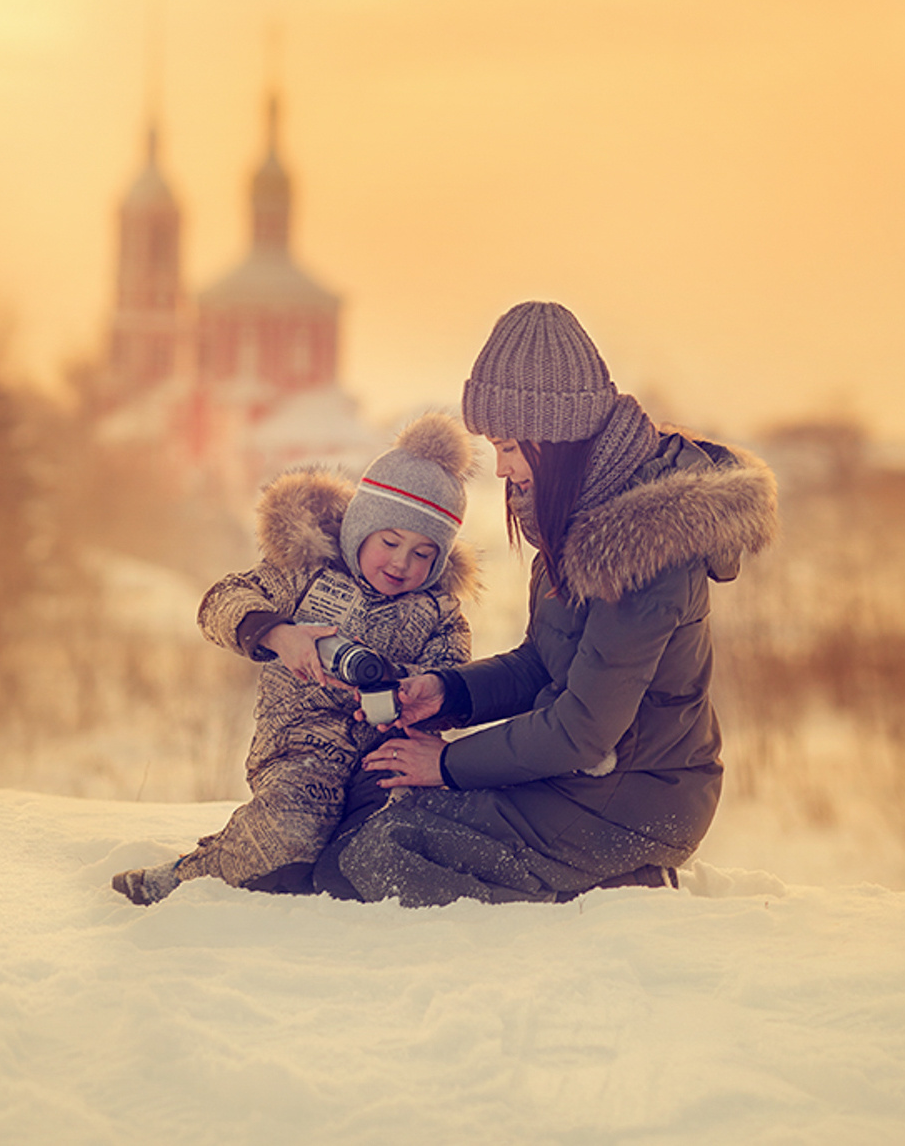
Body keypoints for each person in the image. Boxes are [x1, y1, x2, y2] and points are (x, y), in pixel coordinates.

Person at [311, 302, 780, 907]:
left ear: (555, 437)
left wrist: (447, 764)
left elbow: (584, 730)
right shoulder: (582, 516)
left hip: (633, 801)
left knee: (374, 858)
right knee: (366, 818)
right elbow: (543, 663)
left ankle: (601, 897)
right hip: (586, 779)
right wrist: (447, 693)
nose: (502, 469)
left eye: (508, 447)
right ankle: (583, 887)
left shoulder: (643, 550)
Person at [112, 414, 479, 905]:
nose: (401, 563)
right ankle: (190, 876)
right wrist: (279, 634)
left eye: (422, 554)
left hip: (388, 754)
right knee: (290, 834)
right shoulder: (305, 573)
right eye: (390, 542)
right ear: (361, 528)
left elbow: (455, 683)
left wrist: (400, 683)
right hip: (302, 749)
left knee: (390, 840)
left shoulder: (438, 611)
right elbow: (219, 603)